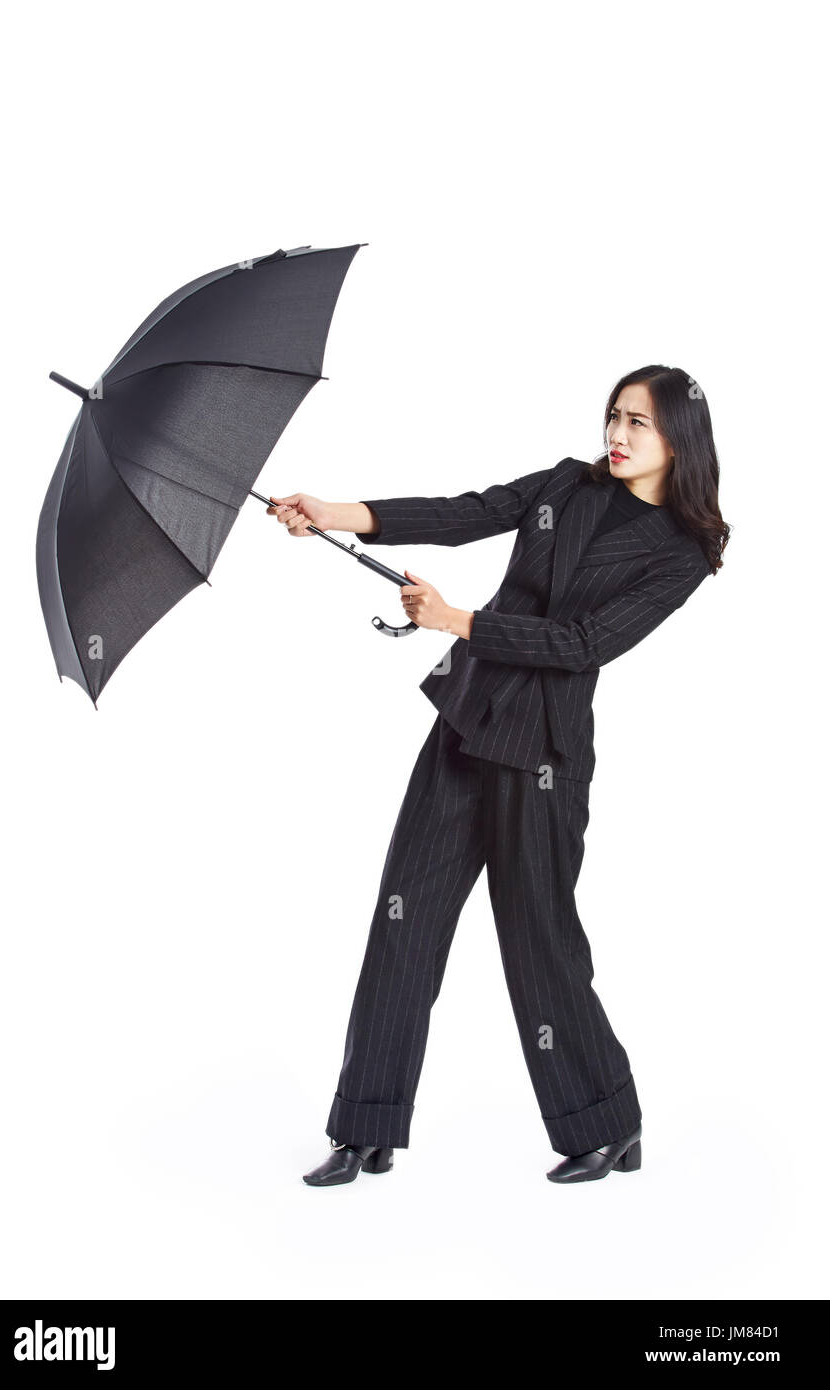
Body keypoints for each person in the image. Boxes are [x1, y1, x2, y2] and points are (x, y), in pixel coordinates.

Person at [267, 364, 729, 1187]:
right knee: (403, 923)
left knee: (540, 944)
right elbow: (464, 513)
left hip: (544, 758)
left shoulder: (682, 554)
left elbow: (586, 643)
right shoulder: (564, 484)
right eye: (614, 416)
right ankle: (365, 1130)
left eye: (639, 425)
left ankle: (609, 1123)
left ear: (679, 442)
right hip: (465, 724)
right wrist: (336, 514)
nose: (617, 437)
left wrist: (457, 620)